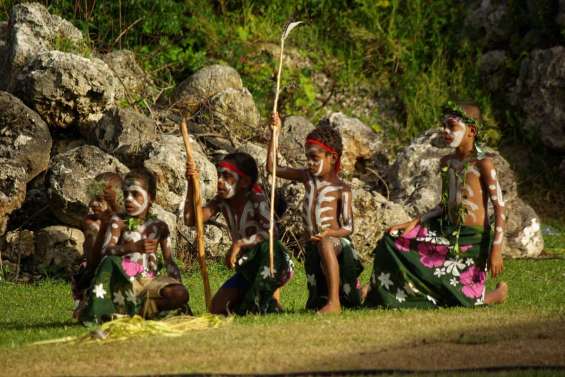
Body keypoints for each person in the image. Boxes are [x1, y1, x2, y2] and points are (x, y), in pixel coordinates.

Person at [363, 101, 508, 308]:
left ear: (471, 131)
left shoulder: (483, 164)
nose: (445, 131)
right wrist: (413, 223)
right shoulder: (446, 162)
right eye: (444, 126)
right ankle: (379, 290)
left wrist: (496, 250)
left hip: (472, 241)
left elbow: (501, 208)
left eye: (452, 126)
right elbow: (443, 205)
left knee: (464, 300)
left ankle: (495, 295)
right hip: (444, 231)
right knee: (392, 237)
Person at [267, 113, 363, 314]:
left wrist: (329, 234)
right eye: (307, 157)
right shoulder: (306, 177)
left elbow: (348, 228)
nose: (309, 162)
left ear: (332, 157)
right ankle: (356, 293)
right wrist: (274, 134)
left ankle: (334, 303)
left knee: (325, 244)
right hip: (313, 247)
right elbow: (272, 168)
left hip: (336, 243)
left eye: (314, 158)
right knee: (344, 296)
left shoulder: (342, 188)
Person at [184, 152, 293, 315]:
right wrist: (192, 185)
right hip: (246, 269)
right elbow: (192, 220)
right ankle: (253, 301)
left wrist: (240, 243)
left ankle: (267, 299)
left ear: (244, 181)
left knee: (267, 252)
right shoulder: (221, 201)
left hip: (272, 262)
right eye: (220, 175)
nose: (220, 181)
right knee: (217, 308)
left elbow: (272, 233)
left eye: (227, 176)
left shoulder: (256, 198)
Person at [79, 168, 189, 323]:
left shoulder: (159, 226)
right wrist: (131, 248)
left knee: (179, 294)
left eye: (135, 194)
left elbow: (169, 261)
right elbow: (105, 252)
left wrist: (178, 284)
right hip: (124, 283)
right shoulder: (118, 222)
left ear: (150, 198)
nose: (129, 199)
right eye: (126, 194)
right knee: (110, 262)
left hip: (148, 281)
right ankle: (131, 309)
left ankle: (136, 311)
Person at [71, 172, 122, 317]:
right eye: (92, 198)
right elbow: (94, 261)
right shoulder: (91, 222)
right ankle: (88, 304)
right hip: (94, 269)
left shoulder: (123, 221)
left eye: (99, 199)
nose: (93, 204)